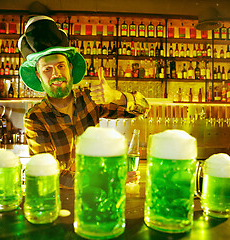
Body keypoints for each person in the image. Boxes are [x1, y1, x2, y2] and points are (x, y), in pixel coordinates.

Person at [18, 16, 149, 186]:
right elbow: (48, 173)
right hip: (58, 202)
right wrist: (106, 180)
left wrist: (115, 96)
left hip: (94, 197)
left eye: (61, 66)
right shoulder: (35, 117)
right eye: (47, 69)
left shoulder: (90, 99)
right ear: (38, 76)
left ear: (70, 68)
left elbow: (143, 107)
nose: (56, 74)